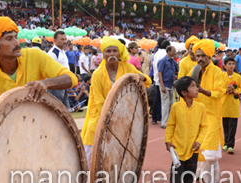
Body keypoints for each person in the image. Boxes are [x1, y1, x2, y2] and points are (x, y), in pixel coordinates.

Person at [0, 16, 78, 113]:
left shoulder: (35, 55)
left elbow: (72, 78)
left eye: (16, 37)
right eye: (9, 39)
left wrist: (45, 83)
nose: (17, 43)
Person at [80, 37, 151, 166]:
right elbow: (99, 101)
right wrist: (111, 117)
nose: (112, 54)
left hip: (122, 118)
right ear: (103, 54)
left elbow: (147, 81)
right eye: (108, 51)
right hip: (99, 118)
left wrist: (142, 77)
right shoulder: (97, 74)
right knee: (92, 156)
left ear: (119, 53)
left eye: (114, 51)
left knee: (116, 157)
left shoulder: (127, 68)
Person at [165, 76, 208, 183]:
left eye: (196, 86)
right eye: (193, 86)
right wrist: (168, 141)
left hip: (192, 150)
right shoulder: (175, 107)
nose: (197, 89)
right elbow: (170, 125)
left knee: (189, 179)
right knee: (175, 179)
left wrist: (199, 141)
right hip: (178, 150)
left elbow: (204, 127)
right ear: (184, 92)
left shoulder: (201, 107)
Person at [189, 39, 225, 183]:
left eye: (203, 56)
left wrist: (202, 90)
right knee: (197, 147)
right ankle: (199, 174)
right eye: (198, 56)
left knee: (210, 150)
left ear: (210, 56)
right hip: (196, 115)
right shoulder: (194, 70)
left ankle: (213, 181)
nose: (200, 59)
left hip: (212, 115)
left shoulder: (217, 72)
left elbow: (219, 92)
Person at [221, 57, 241, 154]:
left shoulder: (238, 77)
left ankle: (231, 145)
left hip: (233, 104)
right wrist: (225, 90)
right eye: (229, 64)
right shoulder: (221, 76)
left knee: (232, 125)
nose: (231, 66)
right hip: (224, 104)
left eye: (232, 64)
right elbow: (219, 87)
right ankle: (225, 143)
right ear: (225, 66)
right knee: (225, 125)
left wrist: (235, 91)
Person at [47, 30, 71, 108]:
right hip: (56, 85)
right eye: (62, 39)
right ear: (55, 40)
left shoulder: (62, 52)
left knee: (65, 108)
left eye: (65, 39)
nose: (64, 41)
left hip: (63, 84)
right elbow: (49, 71)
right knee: (57, 108)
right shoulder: (53, 53)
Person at [158, 45, 179, 128]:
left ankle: (169, 121)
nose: (175, 52)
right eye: (173, 51)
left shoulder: (172, 61)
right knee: (165, 104)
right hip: (165, 84)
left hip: (170, 84)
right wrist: (162, 86)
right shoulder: (163, 61)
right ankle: (164, 123)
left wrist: (174, 77)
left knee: (170, 103)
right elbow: (160, 73)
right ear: (168, 51)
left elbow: (176, 70)